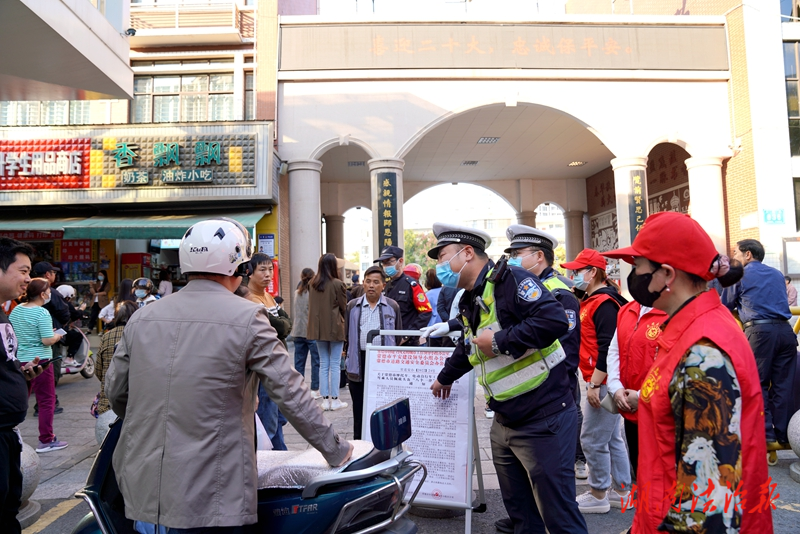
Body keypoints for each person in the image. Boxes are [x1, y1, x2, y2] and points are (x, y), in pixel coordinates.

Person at [105, 218, 353, 531]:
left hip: (143, 487)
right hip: (213, 490)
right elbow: (291, 393)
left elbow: (116, 393)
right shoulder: (248, 318)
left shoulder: (142, 317)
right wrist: (336, 449)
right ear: (239, 268)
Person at [604, 211, 773, 533]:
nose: (633, 275)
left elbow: (709, 504)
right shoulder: (690, 332)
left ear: (666, 274)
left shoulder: (703, 352)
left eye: (638, 266)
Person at [425, 223, 587, 534]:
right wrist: (444, 378)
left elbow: (553, 321)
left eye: (443, 257)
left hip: (544, 417)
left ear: (467, 252)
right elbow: (470, 346)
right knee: (522, 517)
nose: (440, 267)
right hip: (505, 420)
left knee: (559, 515)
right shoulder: (471, 296)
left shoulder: (511, 280)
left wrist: (500, 340)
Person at [504, 225, 585, 482]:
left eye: (518, 253)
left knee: (553, 472)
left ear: (539, 256)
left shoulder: (560, 293)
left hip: (552, 393)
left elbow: (568, 354)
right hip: (529, 391)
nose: (513, 259)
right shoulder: (525, 289)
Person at [561, 248, 630, 513]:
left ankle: (599, 493)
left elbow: (607, 348)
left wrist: (595, 385)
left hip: (603, 381)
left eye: (578, 270)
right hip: (606, 380)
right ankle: (621, 492)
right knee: (612, 438)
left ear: (592, 272)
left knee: (591, 438)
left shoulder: (603, 304)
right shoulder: (596, 300)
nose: (574, 275)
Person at [716, 239, 798, 448]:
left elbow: (725, 304)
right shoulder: (778, 274)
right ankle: (782, 434)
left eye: (736, 252)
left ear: (748, 255)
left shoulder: (739, 274)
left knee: (757, 382)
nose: (734, 257)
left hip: (760, 333)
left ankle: (766, 433)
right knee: (782, 384)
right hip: (786, 331)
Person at [0, 237, 45, 534]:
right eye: (23, 270)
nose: (28, 278)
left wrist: (19, 374)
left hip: (7, 434)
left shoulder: (5, 312)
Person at [603, 299, 667, 478]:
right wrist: (615, 387)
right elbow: (615, 349)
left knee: (660, 476)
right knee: (640, 470)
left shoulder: (670, 311)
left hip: (657, 411)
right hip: (630, 409)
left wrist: (642, 396)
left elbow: (670, 364)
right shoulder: (627, 310)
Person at [9, 278, 67, 453]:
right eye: (48, 291)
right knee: (46, 400)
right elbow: (46, 339)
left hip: (20, 361)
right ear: (42, 294)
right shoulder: (42, 313)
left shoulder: (16, 310)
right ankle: (46, 439)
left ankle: (11, 433)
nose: (50, 294)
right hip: (40, 361)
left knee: (19, 398)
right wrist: (57, 336)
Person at [344, 265, 403, 439]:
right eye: (368, 281)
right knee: (359, 408)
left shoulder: (392, 306)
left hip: (382, 362)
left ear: (383, 285)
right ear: (363, 283)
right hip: (358, 362)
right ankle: (359, 443)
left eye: (376, 282)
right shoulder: (352, 306)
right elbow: (348, 333)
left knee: (383, 406)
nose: (371, 285)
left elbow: (397, 335)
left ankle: (383, 441)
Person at [247, 253, 293, 450]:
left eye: (270, 269)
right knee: (268, 421)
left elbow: (286, 324)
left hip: (279, 365)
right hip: (265, 369)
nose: (268, 274)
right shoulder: (250, 298)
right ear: (249, 273)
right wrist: (282, 323)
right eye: (262, 270)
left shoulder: (269, 297)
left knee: (279, 418)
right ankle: (270, 461)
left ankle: (280, 453)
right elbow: (281, 327)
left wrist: (282, 323)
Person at [307, 253, 349, 411]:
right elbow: (343, 307)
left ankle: (325, 400)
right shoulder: (338, 284)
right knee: (335, 364)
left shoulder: (312, 283)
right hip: (334, 327)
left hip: (317, 328)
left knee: (323, 363)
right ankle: (335, 399)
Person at [94, 301, 138, 445]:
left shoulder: (107, 336)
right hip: (135, 403)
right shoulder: (140, 334)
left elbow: (99, 371)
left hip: (107, 404)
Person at [374, 246, 431, 344]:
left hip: (407, 343)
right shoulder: (386, 286)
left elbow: (426, 312)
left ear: (400, 261)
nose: (385, 266)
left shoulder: (411, 285)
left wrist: (407, 336)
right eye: (383, 263)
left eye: (389, 262)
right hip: (386, 340)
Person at [291, 268, 321, 399]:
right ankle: (315, 389)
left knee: (299, 362)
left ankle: (299, 388)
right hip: (311, 331)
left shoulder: (297, 292)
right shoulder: (313, 293)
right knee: (316, 361)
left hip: (297, 331)